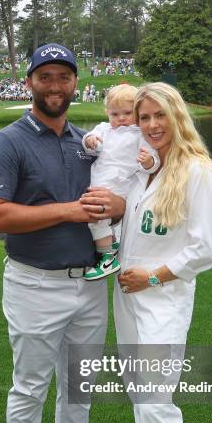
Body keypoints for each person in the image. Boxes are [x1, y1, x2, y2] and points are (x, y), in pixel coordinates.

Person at [0, 43, 125, 423]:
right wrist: (69, 210)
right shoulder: (10, 141)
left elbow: (119, 195)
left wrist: (117, 206)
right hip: (34, 284)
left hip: (88, 284)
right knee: (31, 387)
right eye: (46, 77)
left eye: (64, 77)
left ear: (75, 84)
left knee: (79, 384)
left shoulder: (87, 142)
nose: (56, 85)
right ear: (30, 83)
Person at [114, 82, 212, 423]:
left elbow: (203, 251)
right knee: (138, 390)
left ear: (177, 117)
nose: (152, 125)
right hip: (127, 296)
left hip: (162, 296)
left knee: (157, 400)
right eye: (144, 118)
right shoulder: (147, 169)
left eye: (160, 116)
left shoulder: (196, 171)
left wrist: (152, 277)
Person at [82, 84, 160, 281]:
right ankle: (111, 245)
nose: (121, 118)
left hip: (120, 183)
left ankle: (107, 256)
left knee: (95, 216)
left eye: (127, 113)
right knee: (94, 217)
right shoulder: (104, 129)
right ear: (107, 113)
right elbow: (91, 143)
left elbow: (152, 160)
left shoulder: (139, 135)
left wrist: (148, 162)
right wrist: (90, 141)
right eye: (114, 114)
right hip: (99, 178)